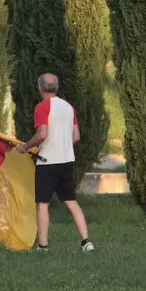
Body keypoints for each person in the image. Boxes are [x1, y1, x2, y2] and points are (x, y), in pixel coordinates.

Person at [14, 73, 94, 253]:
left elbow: (42, 134)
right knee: (71, 202)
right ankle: (86, 242)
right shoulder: (68, 107)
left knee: (42, 203)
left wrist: (26, 146)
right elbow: (76, 136)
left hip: (47, 162)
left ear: (40, 88)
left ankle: (43, 246)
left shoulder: (42, 107)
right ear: (56, 88)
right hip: (66, 161)